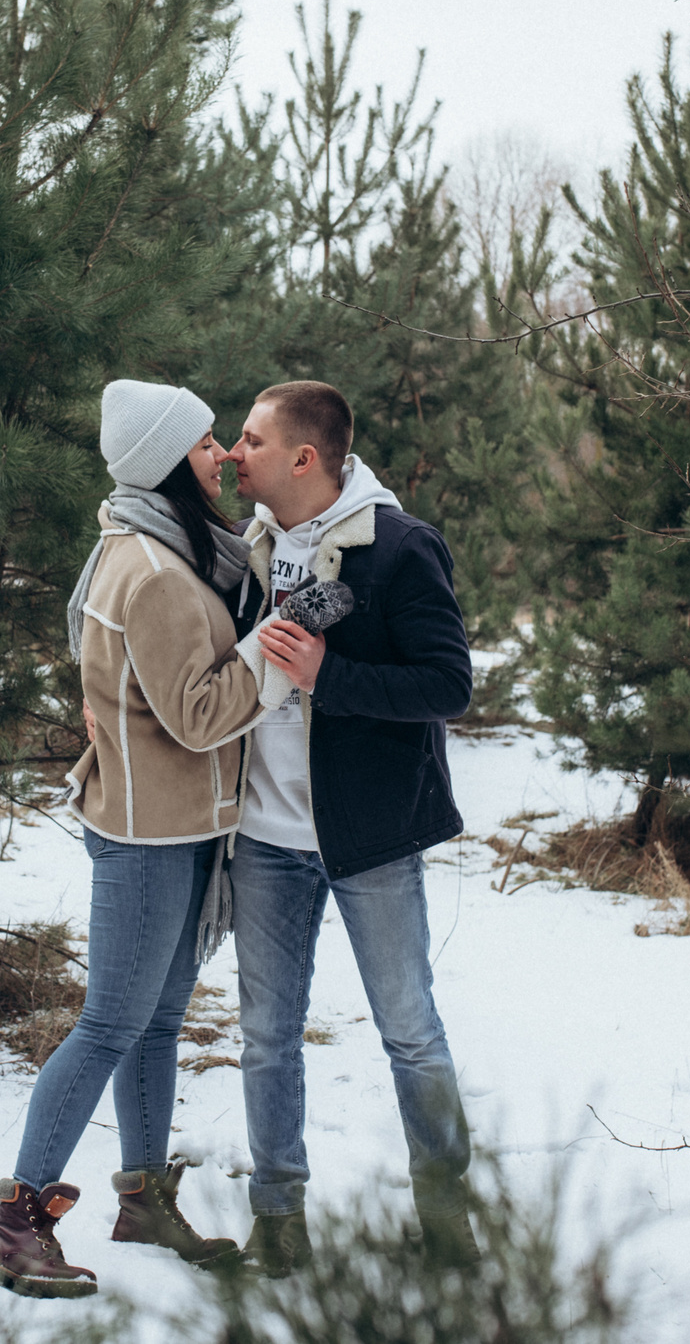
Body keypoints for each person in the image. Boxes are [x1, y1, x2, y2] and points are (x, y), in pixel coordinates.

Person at [0, 379, 291, 1300]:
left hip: (178, 824)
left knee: (153, 1021)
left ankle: (143, 1197)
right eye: (204, 444)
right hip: (148, 834)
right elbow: (196, 715)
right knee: (112, 1021)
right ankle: (16, 1223)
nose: (222, 454)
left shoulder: (168, 547)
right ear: (165, 464)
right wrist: (279, 643)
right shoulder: (149, 571)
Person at [223, 380, 477, 1275]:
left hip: (367, 838)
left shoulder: (399, 549)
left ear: (304, 457)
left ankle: (448, 1225)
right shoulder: (243, 550)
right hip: (264, 836)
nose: (232, 450)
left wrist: (333, 675)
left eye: (250, 438)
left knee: (411, 1032)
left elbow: (448, 685)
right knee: (266, 1037)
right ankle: (278, 1223)